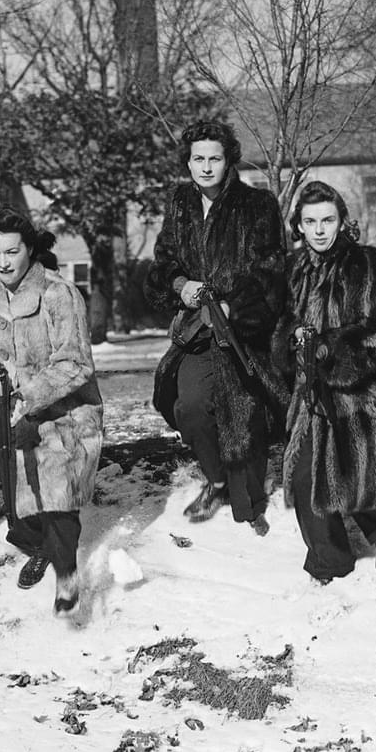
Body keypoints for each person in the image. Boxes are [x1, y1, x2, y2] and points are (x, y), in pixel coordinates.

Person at [143, 120, 287, 535]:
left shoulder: (258, 205)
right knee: (188, 409)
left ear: (229, 161)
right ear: (187, 162)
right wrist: (179, 285)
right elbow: (163, 262)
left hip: (244, 332)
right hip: (198, 330)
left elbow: (271, 272)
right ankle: (217, 479)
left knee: (242, 417)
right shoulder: (180, 202)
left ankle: (249, 501)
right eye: (198, 159)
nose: (206, 167)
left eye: (215, 159)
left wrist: (233, 304)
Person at [0, 208, 103, 616]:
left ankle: (67, 577)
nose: (2, 263)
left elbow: (75, 362)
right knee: (17, 506)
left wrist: (29, 395)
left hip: (64, 413)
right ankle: (37, 547)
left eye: (11, 252)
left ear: (30, 249)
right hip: (8, 408)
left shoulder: (58, 293)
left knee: (57, 495)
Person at [271, 181, 376, 583]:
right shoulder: (293, 269)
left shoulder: (369, 262)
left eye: (328, 219)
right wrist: (291, 340)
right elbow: (281, 324)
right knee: (306, 475)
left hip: (361, 386)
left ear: (343, 221)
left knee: (359, 463)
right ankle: (331, 560)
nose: (320, 229)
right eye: (310, 222)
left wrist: (330, 349)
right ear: (300, 226)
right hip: (309, 391)